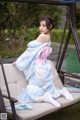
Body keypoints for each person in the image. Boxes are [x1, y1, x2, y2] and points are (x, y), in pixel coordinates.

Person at [13, 16, 73, 107]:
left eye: (44, 25)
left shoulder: (42, 36)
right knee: (46, 86)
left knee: (32, 88)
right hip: (45, 66)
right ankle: (61, 91)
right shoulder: (48, 35)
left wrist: (18, 61)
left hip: (38, 68)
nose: (41, 28)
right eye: (40, 25)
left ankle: (46, 97)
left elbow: (30, 51)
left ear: (50, 26)